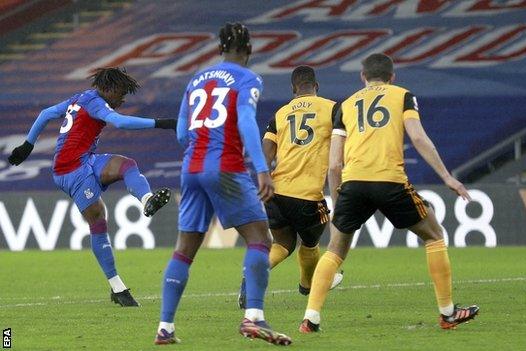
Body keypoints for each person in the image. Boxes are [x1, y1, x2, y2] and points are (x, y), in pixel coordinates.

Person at [298, 53, 480, 333]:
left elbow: (334, 163)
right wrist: (447, 177)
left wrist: (338, 200)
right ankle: (448, 313)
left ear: (363, 77)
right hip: (389, 180)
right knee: (434, 234)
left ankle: (310, 318)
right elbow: (418, 137)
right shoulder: (402, 96)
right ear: (392, 76)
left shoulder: (345, 105)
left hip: (353, 183)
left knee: (335, 249)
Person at [154, 22, 291, 346]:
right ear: (250, 49)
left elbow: (180, 134)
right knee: (260, 237)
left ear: (219, 49)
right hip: (225, 167)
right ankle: (254, 318)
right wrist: (261, 168)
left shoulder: (196, 80)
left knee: (185, 248)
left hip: (191, 168)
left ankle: (165, 327)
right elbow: (244, 118)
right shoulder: (247, 78)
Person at [8, 67, 176, 307]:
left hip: (86, 160)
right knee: (98, 221)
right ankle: (118, 288)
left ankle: (147, 199)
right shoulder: (94, 103)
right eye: (121, 93)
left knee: (128, 165)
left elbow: (46, 113)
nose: (123, 99)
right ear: (108, 88)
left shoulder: (79, 98)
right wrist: (164, 123)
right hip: (71, 171)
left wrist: (27, 145)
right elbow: (120, 123)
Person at [238, 66, 343, 310]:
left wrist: (264, 180)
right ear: (315, 86)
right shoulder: (332, 108)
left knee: (283, 244)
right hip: (307, 194)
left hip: (276, 191)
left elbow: (264, 153)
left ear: (294, 90)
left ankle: (253, 274)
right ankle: (308, 284)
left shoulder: (280, 114)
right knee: (311, 242)